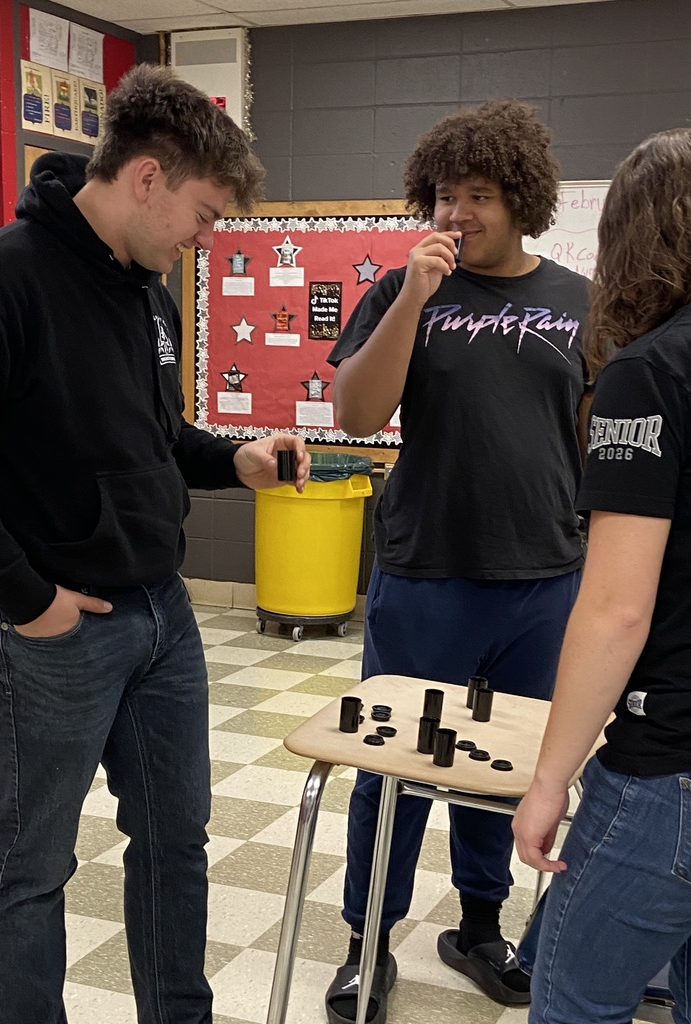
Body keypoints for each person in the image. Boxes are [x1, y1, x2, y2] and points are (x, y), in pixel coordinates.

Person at [0, 64, 308, 1024]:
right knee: (34, 863)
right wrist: (27, 599)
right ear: (146, 178)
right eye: (205, 214)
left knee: (177, 840)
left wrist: (237, 463)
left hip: (158, 617)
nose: (205, 239)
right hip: (43, 628)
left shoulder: (146, 295)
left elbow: (155, 442)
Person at [323, 100, 590, 1022]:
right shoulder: (401, 294)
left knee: (504, 770)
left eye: (479, 194)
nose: (458, 213)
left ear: (522, 200)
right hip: (426, 573)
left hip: (546, 579)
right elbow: (356, 415)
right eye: (444, 195)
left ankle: (480, 929)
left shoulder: (578, 301)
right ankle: (368, 942)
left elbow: (593, 437)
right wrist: (411, 298)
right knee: (389, 767)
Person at [513, 128, 691, 1023]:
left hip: (671, 770)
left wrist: (548, 783)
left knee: (574, 1001)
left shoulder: (650, 372)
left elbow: (619, 609)